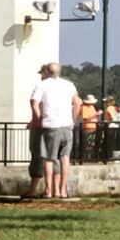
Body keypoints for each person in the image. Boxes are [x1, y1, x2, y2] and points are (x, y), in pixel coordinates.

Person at [29, 61, 81, 199]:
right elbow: (77, 102)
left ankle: (49, 191)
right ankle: (62, 191)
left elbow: (34, 102)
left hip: (51, 126)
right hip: (66, 126)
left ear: (47, 71)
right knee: (65, 158)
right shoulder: (69, 85)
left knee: (49, 159)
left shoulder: (42, 85)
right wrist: (73, 121)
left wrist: (38, 119)